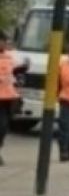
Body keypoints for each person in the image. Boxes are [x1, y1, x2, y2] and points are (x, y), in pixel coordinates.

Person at [0, 31, 30, 166]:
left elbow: (14, 73)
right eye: (3, 41)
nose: (4, 44)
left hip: (7, 98)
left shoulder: (9, 57)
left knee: (3, 127)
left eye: (4, 41)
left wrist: (23, 69)